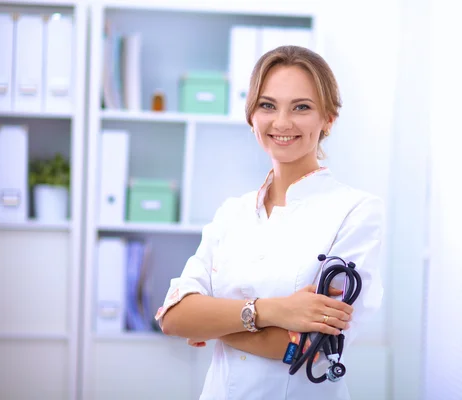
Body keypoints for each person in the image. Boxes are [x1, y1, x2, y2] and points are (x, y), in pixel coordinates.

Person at [155, 45, 386, 400]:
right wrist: (275, 310)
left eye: (302, 107)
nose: (281, 122)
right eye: (267, 105)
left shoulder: (356, 212)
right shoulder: (232, 213)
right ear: (252, 117)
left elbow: (306, 350)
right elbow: (173, 318)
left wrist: (213, 322)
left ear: (328, 118)